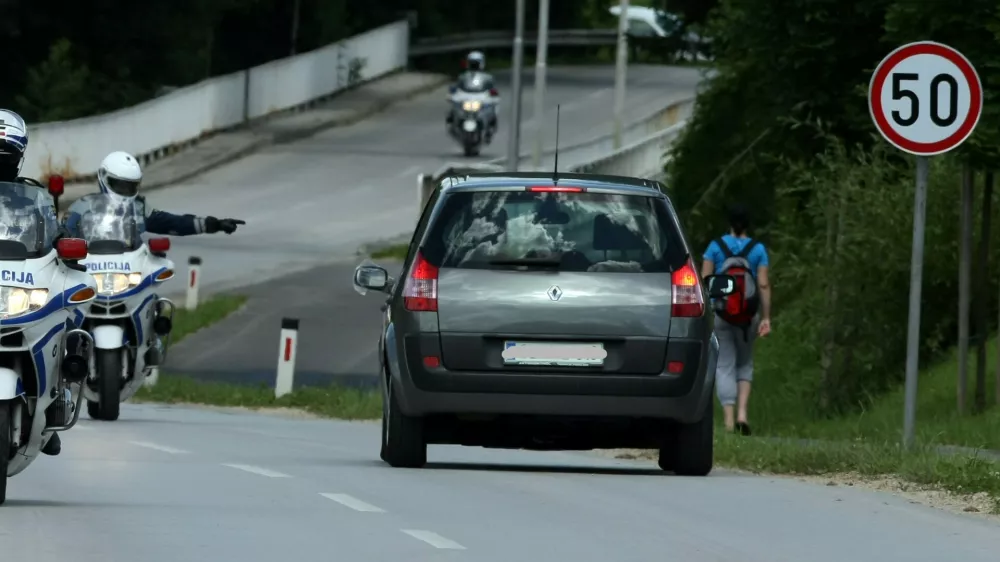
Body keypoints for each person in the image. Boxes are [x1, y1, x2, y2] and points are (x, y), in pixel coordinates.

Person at [700, 203, 771, 435]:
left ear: (729, 222)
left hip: (722, 315)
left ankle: (729, 422)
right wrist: (766, 317)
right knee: (745, 363)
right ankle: (743, 414)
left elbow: (705, 280)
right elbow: (762, 284)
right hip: (749, 316)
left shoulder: (715, 247)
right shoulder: (758, 249)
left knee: (724, 365)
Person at [63, 151, 245, 237]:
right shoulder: (82, 207)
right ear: (104, 178)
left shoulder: (140, 209)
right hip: (89, 271)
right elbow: (62, 235)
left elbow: (174, 223)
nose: (125, 192)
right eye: (120, 185)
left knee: (154, 299)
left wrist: (213, 224)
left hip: (129, 271)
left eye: (130, 186)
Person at [446, 51, 499, 138]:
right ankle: (453, 126)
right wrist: (452, 93)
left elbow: (492, 90)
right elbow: (456, 87)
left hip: (480, 98)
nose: (474, 65)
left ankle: (490, 128)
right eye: (472, 63)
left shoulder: (487, 77)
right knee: (453, 110)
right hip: (466, 98)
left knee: (492, 111)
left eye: (476, 63)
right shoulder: (463, 76)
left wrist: (493, 95)